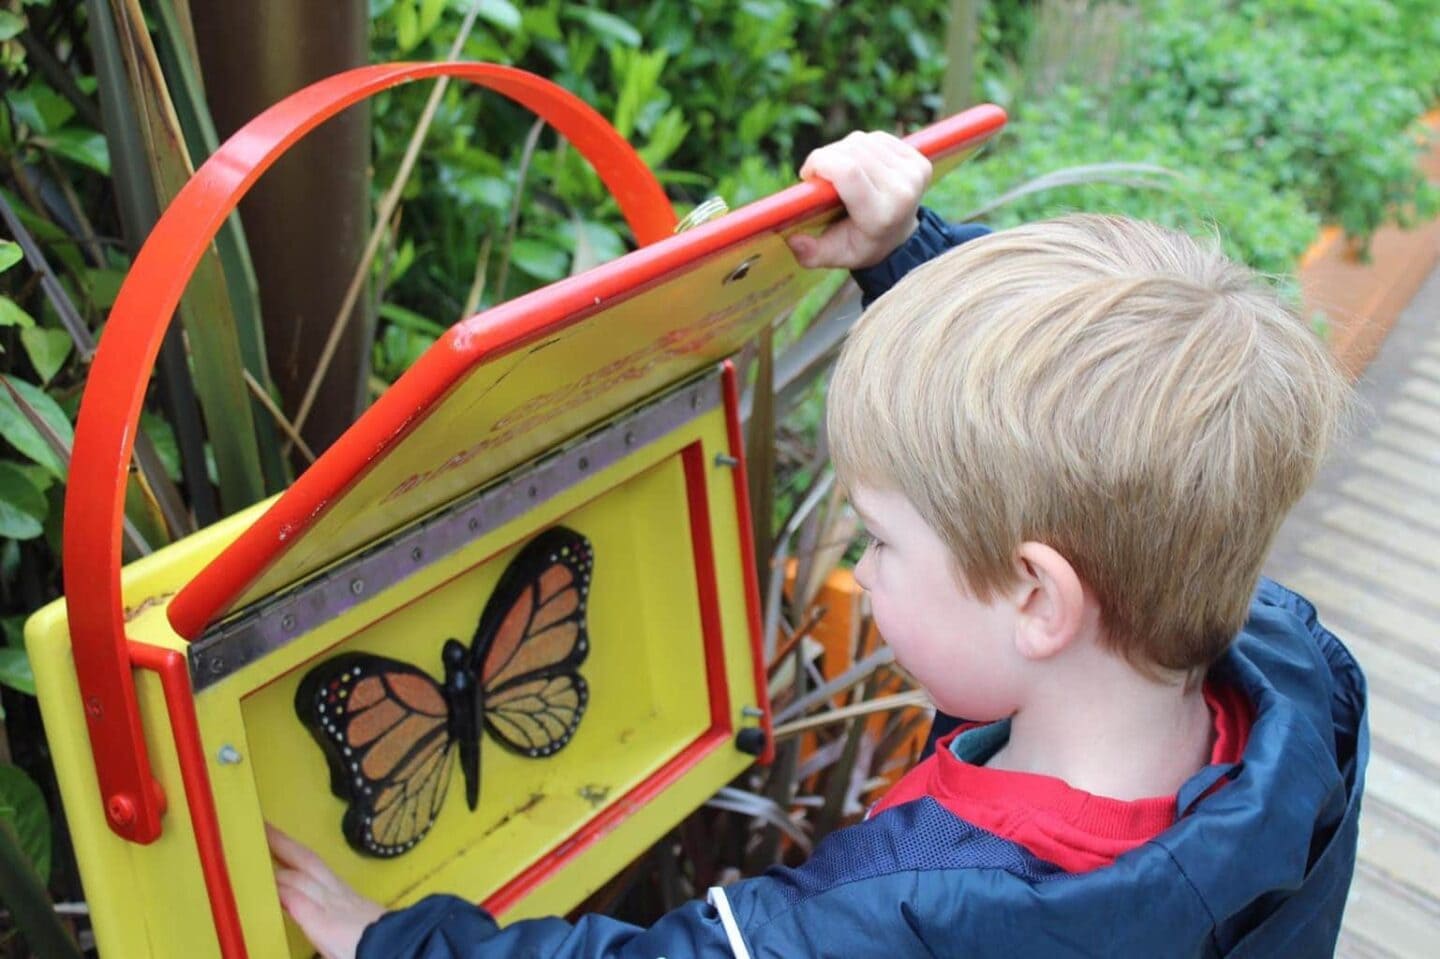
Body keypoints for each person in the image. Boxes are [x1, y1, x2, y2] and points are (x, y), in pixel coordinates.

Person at [270, 132, 1367, 958]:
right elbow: (1109, 434)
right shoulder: (1295, 690)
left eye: (881, 539)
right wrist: (908, 258)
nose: (861, 566)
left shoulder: (916, 911)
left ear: (1039, 597)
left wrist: (388, 936)